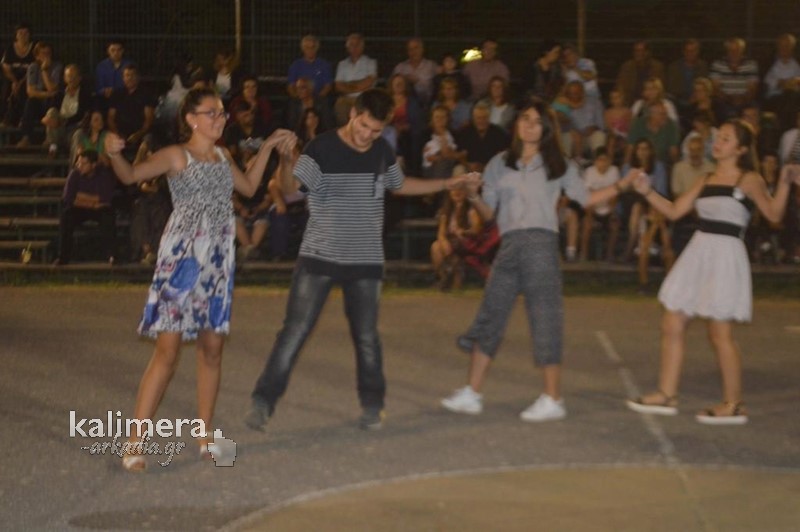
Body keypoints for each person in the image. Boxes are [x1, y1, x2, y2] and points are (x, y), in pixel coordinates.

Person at [244, 88, 476, 432]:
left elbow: (400, 185)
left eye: (376, 130)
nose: (368, 135)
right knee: (293, 331)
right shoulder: (321, 146)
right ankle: (263, 402)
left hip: (365, 259)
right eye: (364, 126)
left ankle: (372, 405)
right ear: (353, 113)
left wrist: (448, 183)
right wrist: (286, 160)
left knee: (367, 337)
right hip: (319, 255)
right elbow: (291, 189)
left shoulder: (381, 150)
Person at [104, 87, 295, 471]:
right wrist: (112, 152)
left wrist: (270, 148)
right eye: (212, 112)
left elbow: (249, 187)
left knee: (212, 349)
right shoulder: (177, 155)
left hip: (217, 261)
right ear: (191, 119)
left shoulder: (223, 156)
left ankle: (205, 436)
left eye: (222, 112)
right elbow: (130, 175)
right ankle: (135, 442)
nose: (220, 118)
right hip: (182, 261)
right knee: (167, 352)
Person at [440, 99, 636, 421]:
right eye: (524, 118)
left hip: (541, 244)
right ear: (517, 123)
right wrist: (473, 195)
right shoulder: (499, 163)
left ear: (546, 128)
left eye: (536, 121)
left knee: (545, 318)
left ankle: (553, 398)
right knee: (491, 314)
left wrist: (623, 184)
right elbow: (489, 216)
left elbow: (586, 199)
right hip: (509, 244)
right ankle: (472, 393)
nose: (529, 125)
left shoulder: (559, 163)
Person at [626, 120, 799, 424]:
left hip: (726, 255)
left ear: (741, 149)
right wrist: (647, 191)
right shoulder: (705, 178)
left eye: (726, 139)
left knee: (719, 332)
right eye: (718, 137)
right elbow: (675, 210)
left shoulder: (749, 179)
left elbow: (773, 214)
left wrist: (785, 183)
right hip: (698, 252)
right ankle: (666, 394)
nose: (717, 142)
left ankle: (733, 404)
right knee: (672, 321)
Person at [53, 149, 116, 266]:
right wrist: (93, 203)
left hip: (99, 210)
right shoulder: (74, 174)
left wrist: (80, 197)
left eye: (83, 163)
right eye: (78, 162)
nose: (79, 166)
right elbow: (68, 198)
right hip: (81, 209)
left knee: (108, 216)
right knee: (67, 216)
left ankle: (112, 256)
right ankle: (63, 257)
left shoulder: (103, 174)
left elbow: (105, 199)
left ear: (93, 165)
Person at [430, 186, 483, 291]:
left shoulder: (472, 210)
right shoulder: (446, 211)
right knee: (435, 247)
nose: (457, 192)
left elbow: (476, 230)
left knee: (455, 250)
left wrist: (463, 232)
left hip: (467, 241)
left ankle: (454, 281)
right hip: (451, 242)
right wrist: (444, 242)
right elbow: (441, 233)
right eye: (453, 190)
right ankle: (443, 278)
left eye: (460, 190)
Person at [333, 32, 377, 125]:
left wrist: (348, 85)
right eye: (351, 45)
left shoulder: (370, 62)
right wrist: (358, 84)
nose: (354, 47)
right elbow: (338, 86)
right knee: (339, 105)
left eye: (357, 44)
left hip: (363, 98)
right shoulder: (342, 64)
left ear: (362, 46)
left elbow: (368, 82)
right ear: (347, 47)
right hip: (346, 99)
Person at [1, 23, 35, 127]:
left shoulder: (34, 48)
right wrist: (14, 81)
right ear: (16, 35)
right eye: (20, 33)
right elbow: (5, 67)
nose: (23, 36)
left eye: (26, 33)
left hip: (28, 78)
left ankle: (18, 119)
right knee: (6, 88)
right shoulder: (10, 48)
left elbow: (34, 68)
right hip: (12, 78)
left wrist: (20, 83)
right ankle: (5, 117)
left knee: (23, 90)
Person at [392, 37, 438, 107]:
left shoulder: (431, 66)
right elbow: (392, 86)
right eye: (410, 49)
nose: (413, 52)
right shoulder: (400, 68)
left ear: (422, 49)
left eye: (416, 48)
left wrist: (417, 82)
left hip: (427, 104)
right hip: (404, 105)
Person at [286, 34, 333, 100]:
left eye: (312, 47)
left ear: (316, 48)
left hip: (319, 99)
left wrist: (318, 99)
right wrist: (298, 98)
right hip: (300, 99)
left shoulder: (324, 65)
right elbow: (291, 86)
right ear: (303, 49)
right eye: (307, 47)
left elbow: (328, 86)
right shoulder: (295, 65)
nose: (310, 50)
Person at [95, 38, 130, 109]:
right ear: (108, 51)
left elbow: (131, 85)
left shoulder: (129, 65)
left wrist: (115, 92)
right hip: (104, 99)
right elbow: (98, 86)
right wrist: (104, 91)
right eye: (113, 50)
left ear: (123, 51)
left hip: (124, 99)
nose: (116, 53)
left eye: (119, 50)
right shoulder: (101, 66)